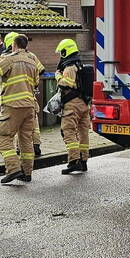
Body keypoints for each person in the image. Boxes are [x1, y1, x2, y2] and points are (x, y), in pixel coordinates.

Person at [0, 33, 43, 184]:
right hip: (29, 106)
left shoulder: (9, 58)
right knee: (26, 139)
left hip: (12, 105)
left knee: (3, 137)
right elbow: (36, 82)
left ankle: (13, 169)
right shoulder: (33, 62)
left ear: (13, 44)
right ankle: (27, 173)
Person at [55, 38, 92, 174]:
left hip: (72, 105)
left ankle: (74, 161)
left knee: (68, 131)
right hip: (83, 103)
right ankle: (83, 161)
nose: (60, 55)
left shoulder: (69, 67)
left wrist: (58, 76)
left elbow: (66, 84)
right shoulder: (79, 64)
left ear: (66, 51)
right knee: (83, 133)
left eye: (62, 52)